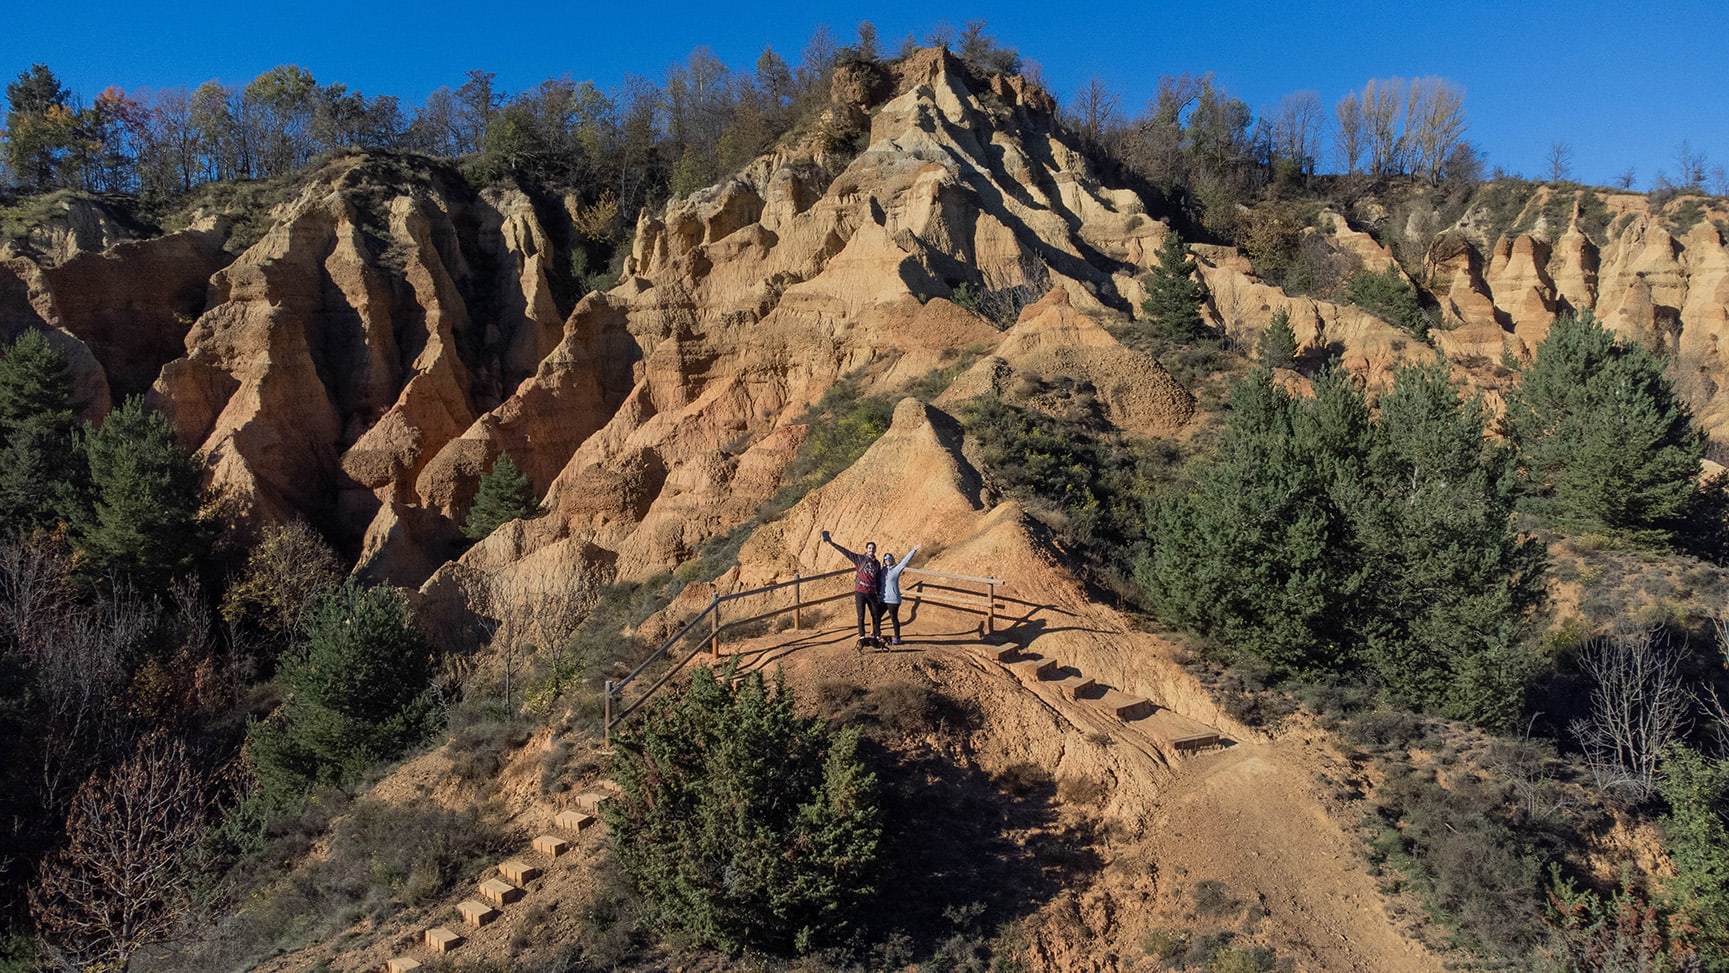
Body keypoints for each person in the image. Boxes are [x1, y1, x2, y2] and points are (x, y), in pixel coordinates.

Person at [822, 530, 881, 642]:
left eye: (873, 548)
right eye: (869, 548)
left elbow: (878, 579)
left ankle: (877, 635)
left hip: (872, 592)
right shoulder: (859, 559)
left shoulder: (877, 563)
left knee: (875, 614)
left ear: (875, 550)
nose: (871, 550)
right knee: (861, 614)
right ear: (866, 549)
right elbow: (845, 551)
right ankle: (862, 636)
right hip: (860, 591)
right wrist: (831, 542)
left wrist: (878, 593)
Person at [879, 543, 920, 645]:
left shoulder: (896, 569)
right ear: (884, 560)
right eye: (886, 558)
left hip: (893, 599)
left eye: (889, 558)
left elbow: (905, 561)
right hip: (883, 599)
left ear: (892, 559)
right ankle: (877, 635)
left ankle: (897, 637)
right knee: (877, 616)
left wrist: (913, 550)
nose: (887, 560)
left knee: (893, 618)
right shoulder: (882, 570)